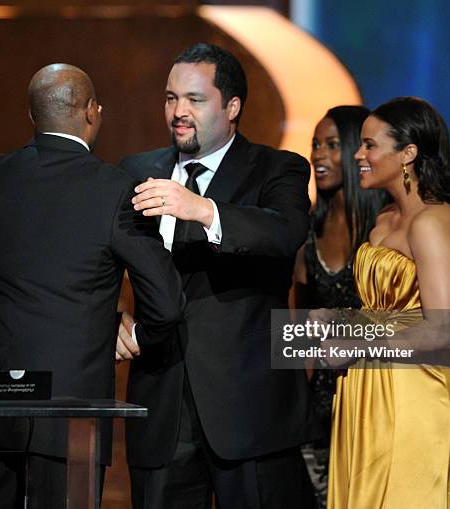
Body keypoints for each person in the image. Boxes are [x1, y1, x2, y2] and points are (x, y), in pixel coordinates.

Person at [0, 63, 184, 509]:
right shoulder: (118, 190)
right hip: (72, 405)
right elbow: (165, 302)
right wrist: (127, 330)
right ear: (91, 112)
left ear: (33, 116)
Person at [116, 43, 318, 509]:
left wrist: (204, 211)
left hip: (249, 411)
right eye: (170, 98)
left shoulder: (277, 168)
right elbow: (98, 255)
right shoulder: (136, 171)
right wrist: (113, 316)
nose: (178, 112)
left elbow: (285, 232)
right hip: (161, 405)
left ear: (232, 107)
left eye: (194, 99)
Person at [326, 97, 450, 508]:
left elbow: (440, 328)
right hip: (370, 389)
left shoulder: (431, 222)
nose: (358, 155)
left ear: (408, 153)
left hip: (418, 392)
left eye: (370, 145)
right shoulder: (384, 219)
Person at [293, 105, 388, 507]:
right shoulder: (307, 232)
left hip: (373, 397)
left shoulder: (383, 231)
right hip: (319, 406)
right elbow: (296, 334)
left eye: (332, 145)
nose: (318, 155)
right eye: (315, 145)